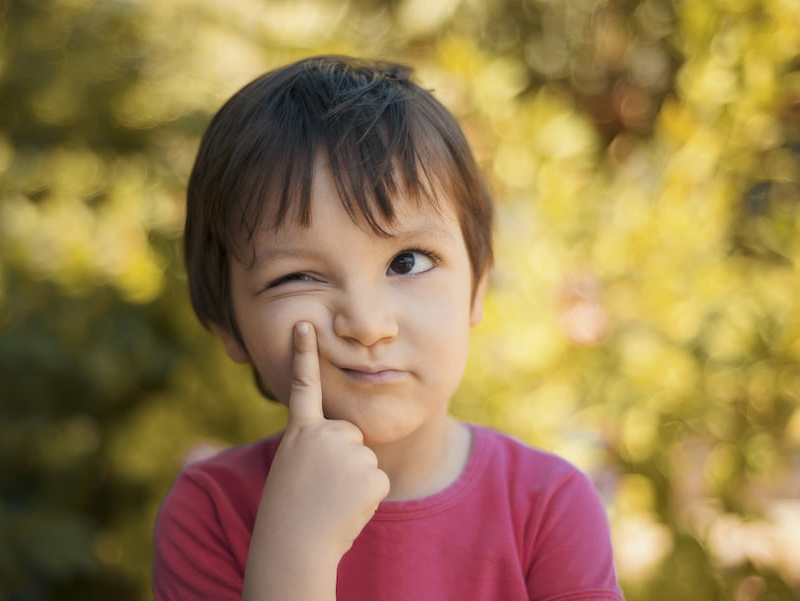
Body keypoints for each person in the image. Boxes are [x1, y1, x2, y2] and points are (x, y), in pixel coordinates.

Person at [153, 55, 623, 601]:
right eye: (299, 275)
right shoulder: (210, 514)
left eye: (408, 262)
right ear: (229, 325)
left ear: (478, 285)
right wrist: (293, 555)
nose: (368, 325)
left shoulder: (549, 507)